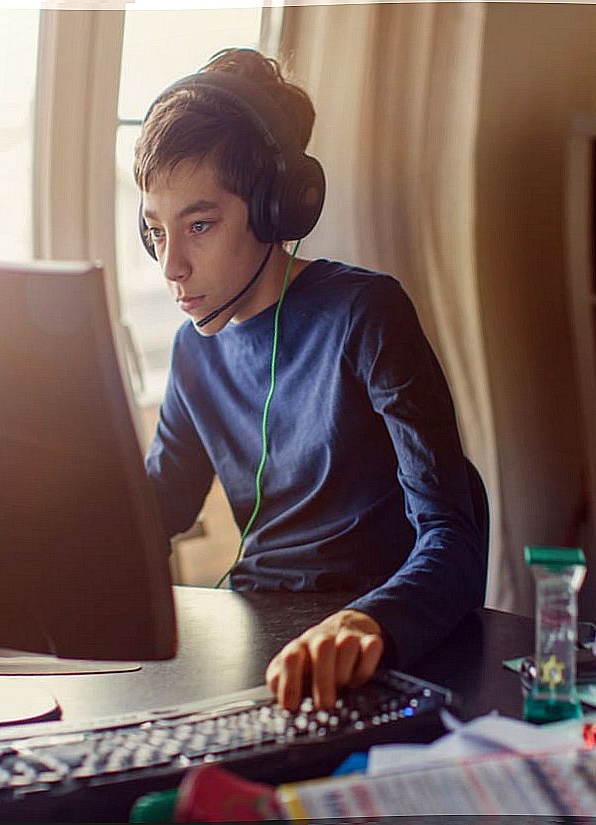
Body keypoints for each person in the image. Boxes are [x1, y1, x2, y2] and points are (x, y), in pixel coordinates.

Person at [136, 48, 486, 712]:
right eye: (157, 231)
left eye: (199, 225)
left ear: (276, 210)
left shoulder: (364, 314)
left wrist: (366, 623)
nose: (171, 266)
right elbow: (153, 515)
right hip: (253, 650)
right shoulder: (194, 351)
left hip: (360, 654)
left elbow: (454, 542)